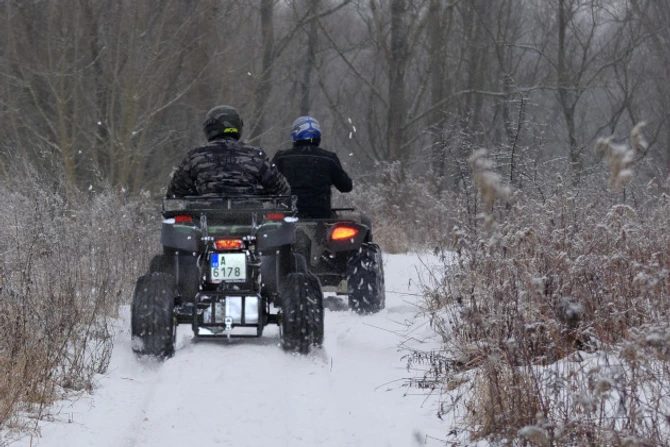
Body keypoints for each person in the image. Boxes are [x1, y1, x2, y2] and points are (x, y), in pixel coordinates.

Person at [167, 105, 290, 198]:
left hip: (204, 221)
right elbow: (281, 190)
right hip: (249, 221)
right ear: (238, 126)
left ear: (209, 127)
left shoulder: (195, 156)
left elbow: (174, 193)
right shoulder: (256, 155)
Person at [272, 116, 352, 218]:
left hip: (287, 216)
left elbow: (269, 183)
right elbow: (346, 186)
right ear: (318, 135)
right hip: (321, 216)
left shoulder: (281, 157)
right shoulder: (329, 158)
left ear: (295, 134)